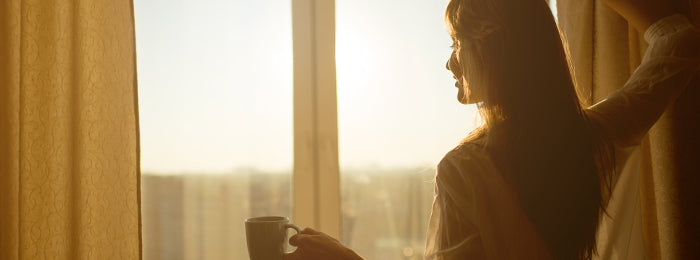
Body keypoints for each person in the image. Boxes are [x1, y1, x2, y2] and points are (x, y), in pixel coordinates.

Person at [283, 0, 700, 259]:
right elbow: (678, 42)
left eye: (456, 44)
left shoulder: (464, 172)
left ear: (492, 47)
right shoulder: (593, 138)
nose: (450, 63)